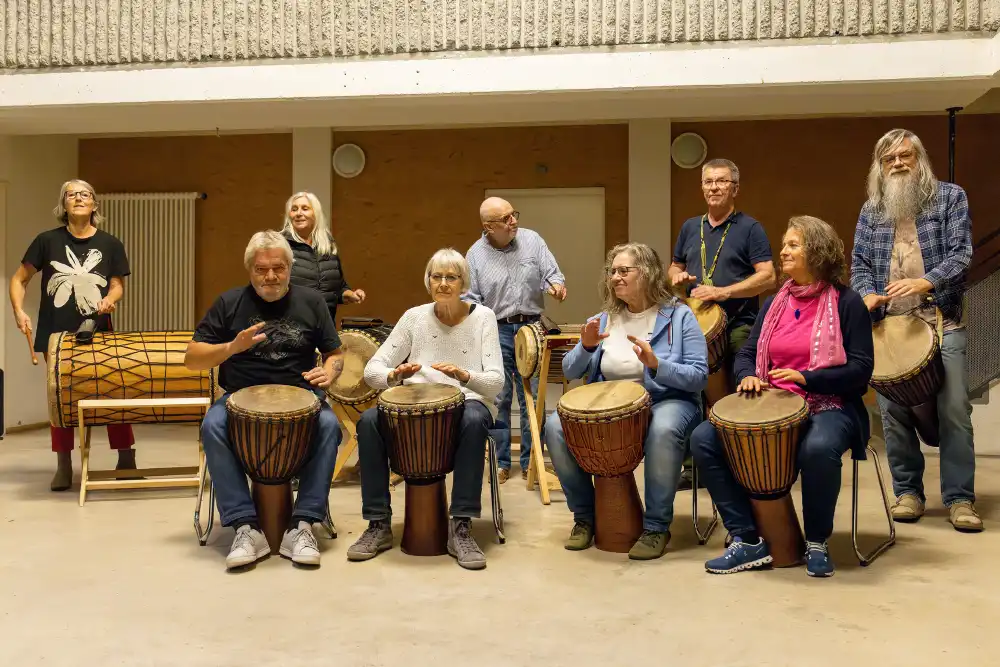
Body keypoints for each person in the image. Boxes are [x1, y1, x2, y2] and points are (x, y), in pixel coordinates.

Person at [691, 216, 874, 578]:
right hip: (771, 402)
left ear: (817, 251)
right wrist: (746, 379)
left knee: (818, 448)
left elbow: (861, 371)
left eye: (793, 244)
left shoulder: (846, 302)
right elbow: (746, 355)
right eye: (785, 243)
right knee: (704, 439)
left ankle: (817, 541)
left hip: (830, 403)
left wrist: (806, 378)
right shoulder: (776, 302)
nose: (783, 251)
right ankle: (746, 539)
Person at [185, 230, 345, 570]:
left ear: (289, 267)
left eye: (278, 268)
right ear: (249, 270)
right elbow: (192, 358)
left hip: (302, 397)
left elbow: (334, 353)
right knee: (212, 425)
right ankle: (245, 526)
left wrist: (330, 373)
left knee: (330, 424)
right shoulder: (229, 303)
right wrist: (230, 348)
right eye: (261, 269)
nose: (270, 276)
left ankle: (303, 524)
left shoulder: (312, 302)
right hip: (238, 399)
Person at [851, 128, 981, 532]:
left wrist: (927, 281)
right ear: (880, 165)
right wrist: (867, 293)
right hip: (889, 326)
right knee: (892, 411)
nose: (898, 164)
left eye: (905, 156)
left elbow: (963, 253)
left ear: (919, 158)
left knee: (955, 408)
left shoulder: (949, 197)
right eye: (889, 159)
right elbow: (857, 263)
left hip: (941, 319)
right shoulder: (871, 209)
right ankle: (908, 492)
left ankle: (960, 499)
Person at [544, 242, 709, 560]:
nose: (615, 277)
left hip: (666, 401)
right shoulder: (603, 319)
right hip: (609, 409)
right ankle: (584, 518)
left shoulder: (678, 317)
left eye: (623, 271)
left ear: (646, 273)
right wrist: (587, 346)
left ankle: (656, 527)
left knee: (662, 430)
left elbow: (699, 377)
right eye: (612, 271)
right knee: (555, 427)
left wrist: (657, 365)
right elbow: (569, 370)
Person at [348, 248, 504, 570]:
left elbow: (495, 383)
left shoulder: (483, 317)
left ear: (464, 282)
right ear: (428, 281)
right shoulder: (414, 317)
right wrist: (393, 375)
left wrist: (463, 375)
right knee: (369, 422)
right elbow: (372, 370)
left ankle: (460, 525)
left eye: (452, 277)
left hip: (468, 401)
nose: (443, 283)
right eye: (437, 276)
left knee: (475, 421)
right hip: (416, 403)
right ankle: (377, 524)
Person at [8, 179, 136, 492]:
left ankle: (126, 459)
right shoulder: (46, 240)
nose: (77, 198)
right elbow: (19, 279)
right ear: (63, 205)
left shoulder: (110, 243)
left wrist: (112, 298)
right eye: (71, 195)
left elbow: (118, 284)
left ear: (94, 204)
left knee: (113, 392)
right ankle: (64, 465)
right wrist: (18, 311)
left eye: (84, 194)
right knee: (59, 399)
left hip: (98, 331)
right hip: (55, 334)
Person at [669, 159, 775, 488]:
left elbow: (768, 277)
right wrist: (678, 278)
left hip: (739, 325)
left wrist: (724, 292)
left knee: (736, 393)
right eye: (708, 182)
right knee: (688, 393)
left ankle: (743, 463)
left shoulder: (750, 228)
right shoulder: (690, 226)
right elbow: (673, 268)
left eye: (721, 181)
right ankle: (694, 465)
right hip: (696, 325)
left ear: (735, 189)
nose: (714, 187)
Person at [465, 197, 567, 483]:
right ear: (488, 227)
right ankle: (501, 462)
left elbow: (552, 274)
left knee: (532, 397)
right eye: (506, 219)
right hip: (495, 329)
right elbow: (469, 300)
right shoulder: (474, 256)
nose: (514, 222)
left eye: (514, 215)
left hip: (532, 328)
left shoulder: (532, 240)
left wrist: (556, 287)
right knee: (499, 397)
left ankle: (531, 461)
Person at [281, 191, 366, 326]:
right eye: (294, 209)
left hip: (325, 327)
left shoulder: (327, 245)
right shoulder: (280, 245)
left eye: (305, 208)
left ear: (316, 213)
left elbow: (337, 287)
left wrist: (349, 294)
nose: (298, 213)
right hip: (291, 327)